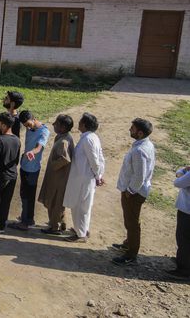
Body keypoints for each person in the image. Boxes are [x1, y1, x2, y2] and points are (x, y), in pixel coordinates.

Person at [112, 118, 156, 266]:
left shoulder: (139, 150)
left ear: (140, 132)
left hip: (134, 193)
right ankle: (128, 243)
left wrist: (130, 191)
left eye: (133, 128)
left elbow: (140, 176)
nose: (130, 130)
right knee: (129, 220)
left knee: (132, 223)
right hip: (134, 190)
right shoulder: (145, 144)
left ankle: (131, 254)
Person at [63, 113, 106, 243]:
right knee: (81, 205)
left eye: (81, 122)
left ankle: (80, 234)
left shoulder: (88, 139)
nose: (79, 124)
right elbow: (100, 158)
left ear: (85, 125)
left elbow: (95, 161)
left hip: (83, 178)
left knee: (80, 206)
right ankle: (81, 228)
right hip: (83, 177)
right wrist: (98, 174)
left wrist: (98, 175)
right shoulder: (91, 137)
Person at [7, 110, 51, 230]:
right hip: (25, 165)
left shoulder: (44, 132)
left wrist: (32, 152)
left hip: (32, 170)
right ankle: (27, 218)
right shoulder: (30, 127)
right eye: (25, 125)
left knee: (27, 196)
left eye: (28, 124)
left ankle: (26, 222)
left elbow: (39, 146)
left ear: (34, 118)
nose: (27, 127)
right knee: (24, 194)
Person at [38, 114, 75, 235]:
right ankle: (61, 223)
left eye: (57, 124)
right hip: (59, 178)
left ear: (63, 127)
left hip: (59, 179)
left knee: (55, 203)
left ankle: (54, 227)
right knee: (58, 203)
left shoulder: (63, 141)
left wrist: (53, 165)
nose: (54, 125)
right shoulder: (65, 137)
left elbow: (65, 159)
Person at [169, 165, 190, 279]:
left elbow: (178, 182)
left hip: (187, 211)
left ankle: (184, 269)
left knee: (183, 239)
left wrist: (182, 172)